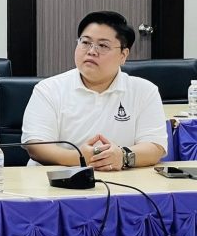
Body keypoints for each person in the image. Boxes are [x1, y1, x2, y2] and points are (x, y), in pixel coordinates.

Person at [22, 10, 167, 170]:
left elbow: (155, 147)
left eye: (103, 45)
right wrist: (80, 159)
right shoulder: (48, 89)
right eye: (85, 42)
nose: (91, 51)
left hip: (120, 179)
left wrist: (122, 156)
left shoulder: (144, 91)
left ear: (123, 55)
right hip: (55, 180)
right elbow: (36, 146)